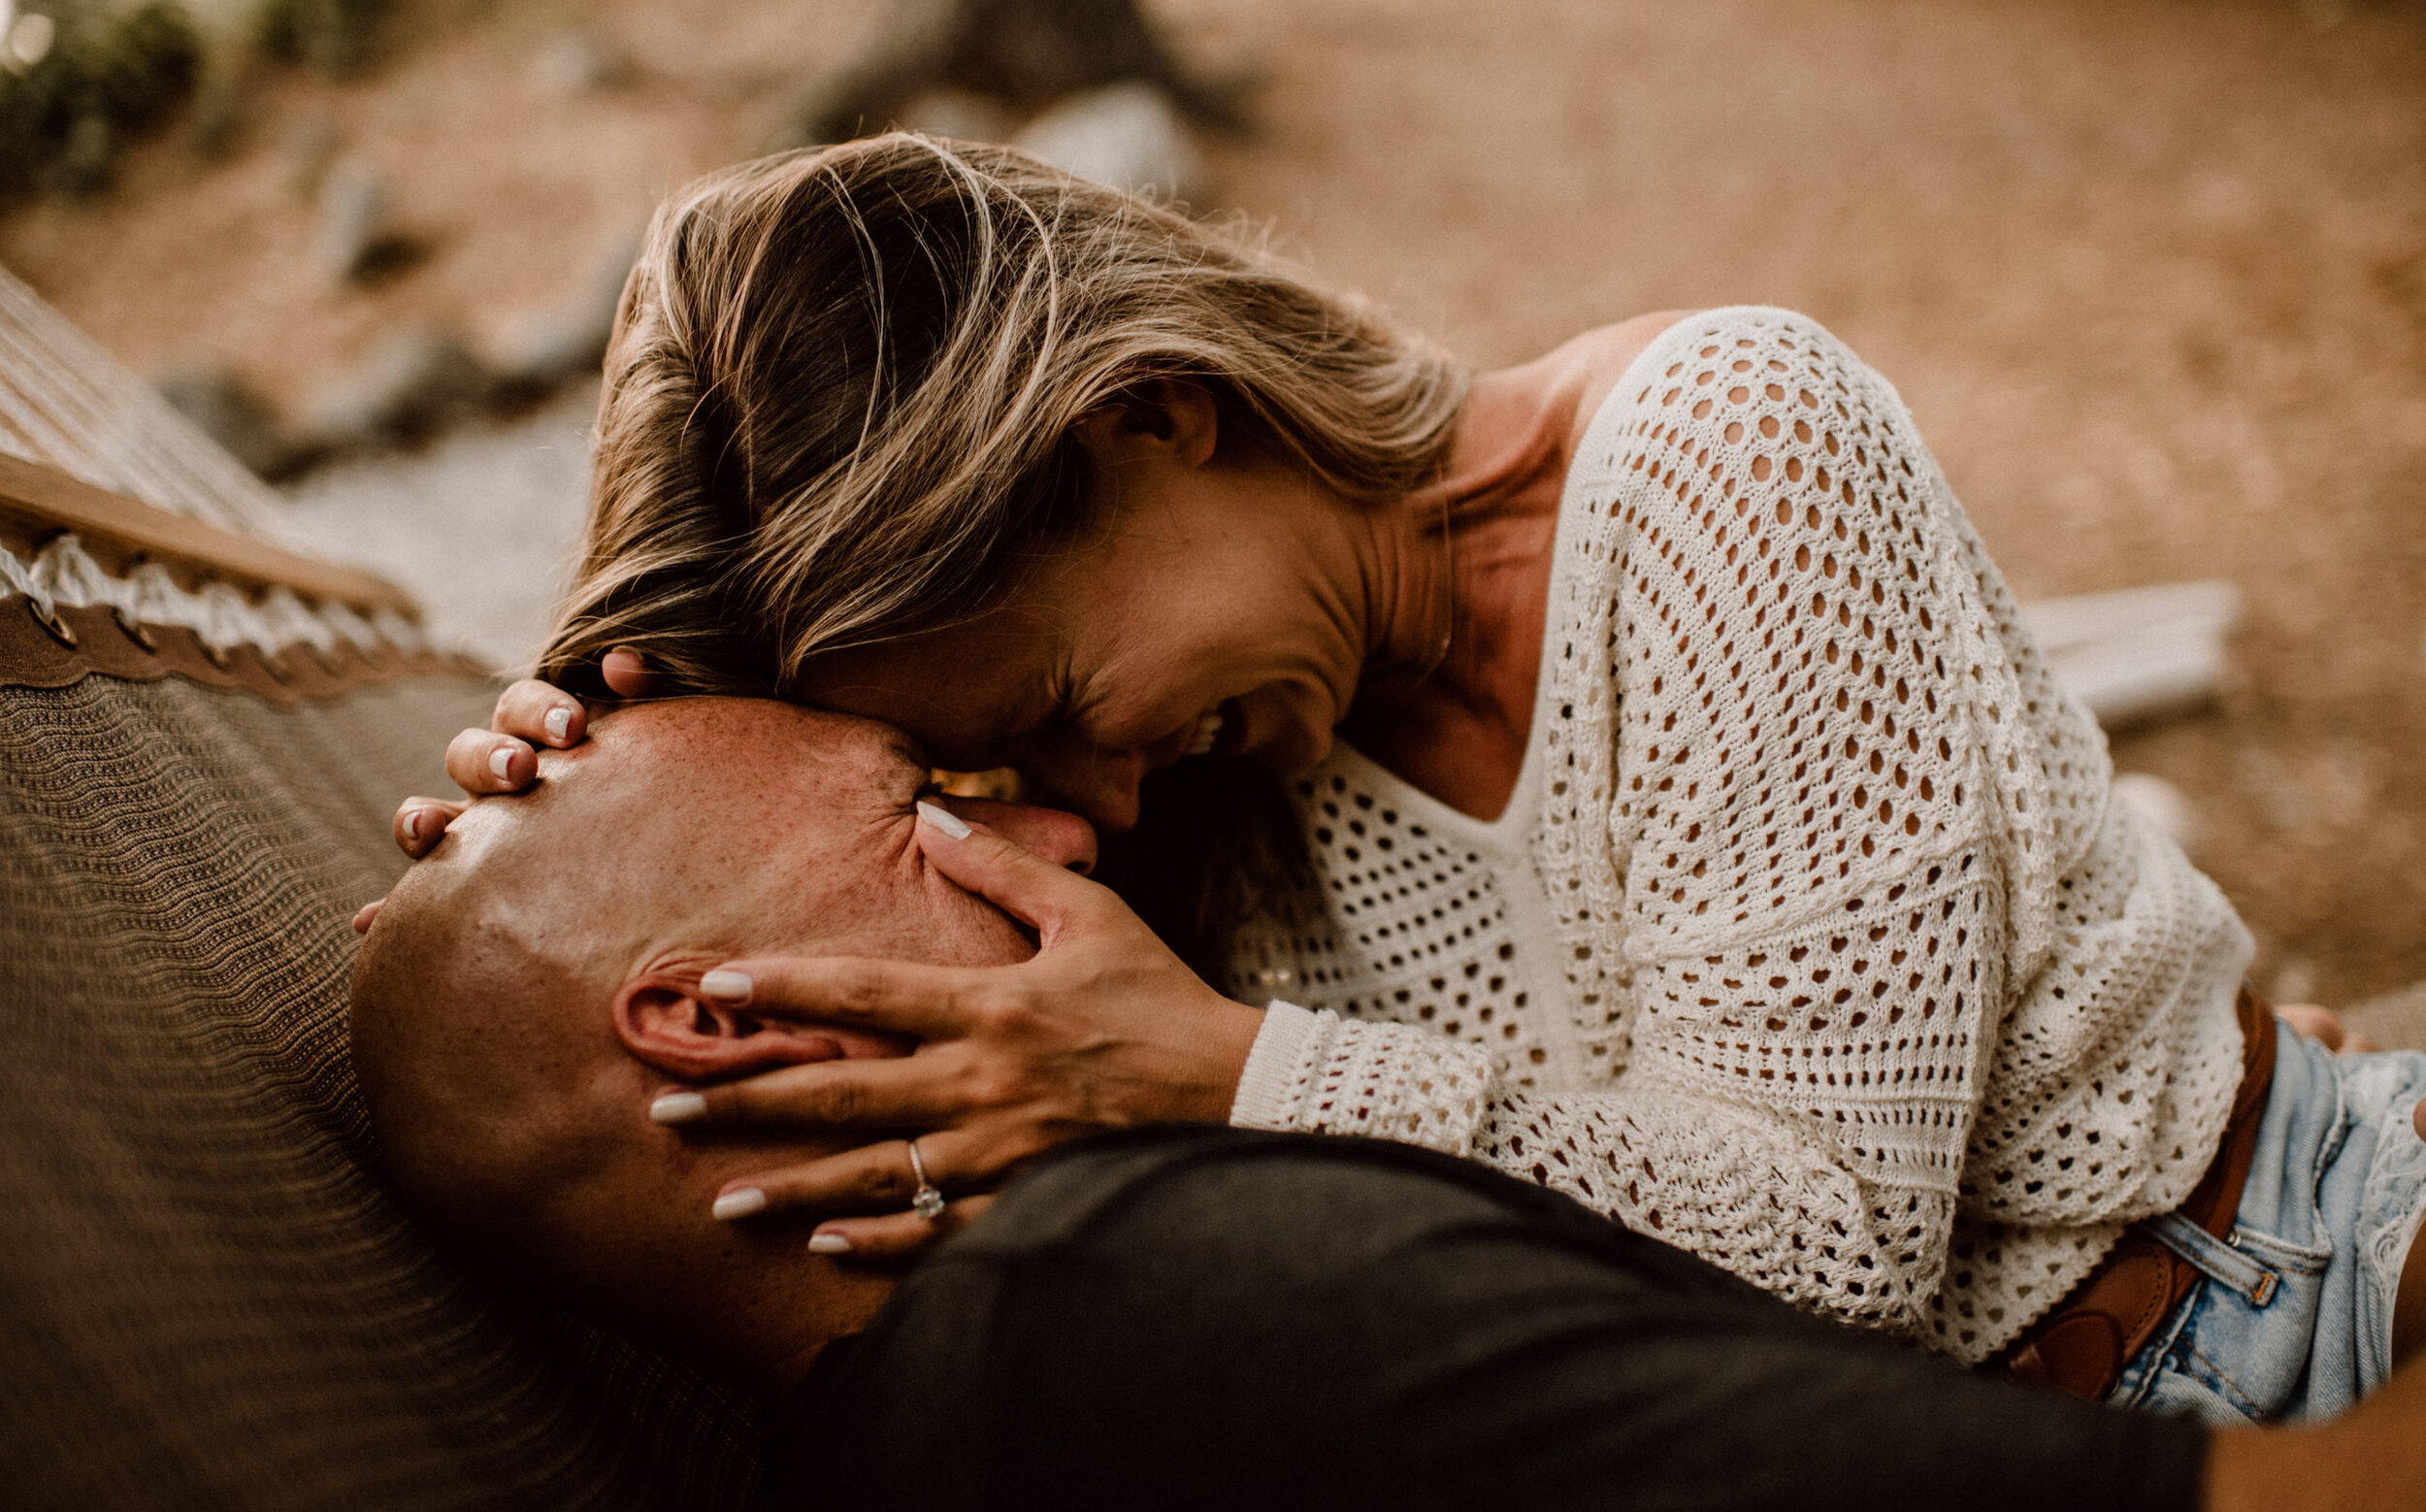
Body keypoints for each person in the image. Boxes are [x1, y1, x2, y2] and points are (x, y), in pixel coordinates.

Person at [403, 135, 2426, 1420]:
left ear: (1156, 417)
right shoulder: (1171, 821)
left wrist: (1222, 1070)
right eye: (990, 759)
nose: (1083, 802)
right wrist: (568, 797)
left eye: (1052, 694)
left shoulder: (1723, 449)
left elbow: (1841, 1266)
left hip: (2293, 1282)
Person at [351, 696, 2426, 1512]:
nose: (1067, 829)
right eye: (927, 814)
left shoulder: (937, 1424)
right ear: (720, 1026)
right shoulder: (1166, 1313)